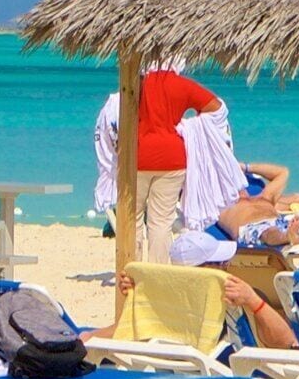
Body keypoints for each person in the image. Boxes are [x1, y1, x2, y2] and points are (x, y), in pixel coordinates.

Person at [89, 60, 222, 247]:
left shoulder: (135, 83)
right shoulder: (182, 84)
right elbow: (217, 108)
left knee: (130, 219)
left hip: (137, 157)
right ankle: (158, 274)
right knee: (161, 222)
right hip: (173, 159)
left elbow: (113, 117)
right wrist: (188, 126)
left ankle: (131, 270)